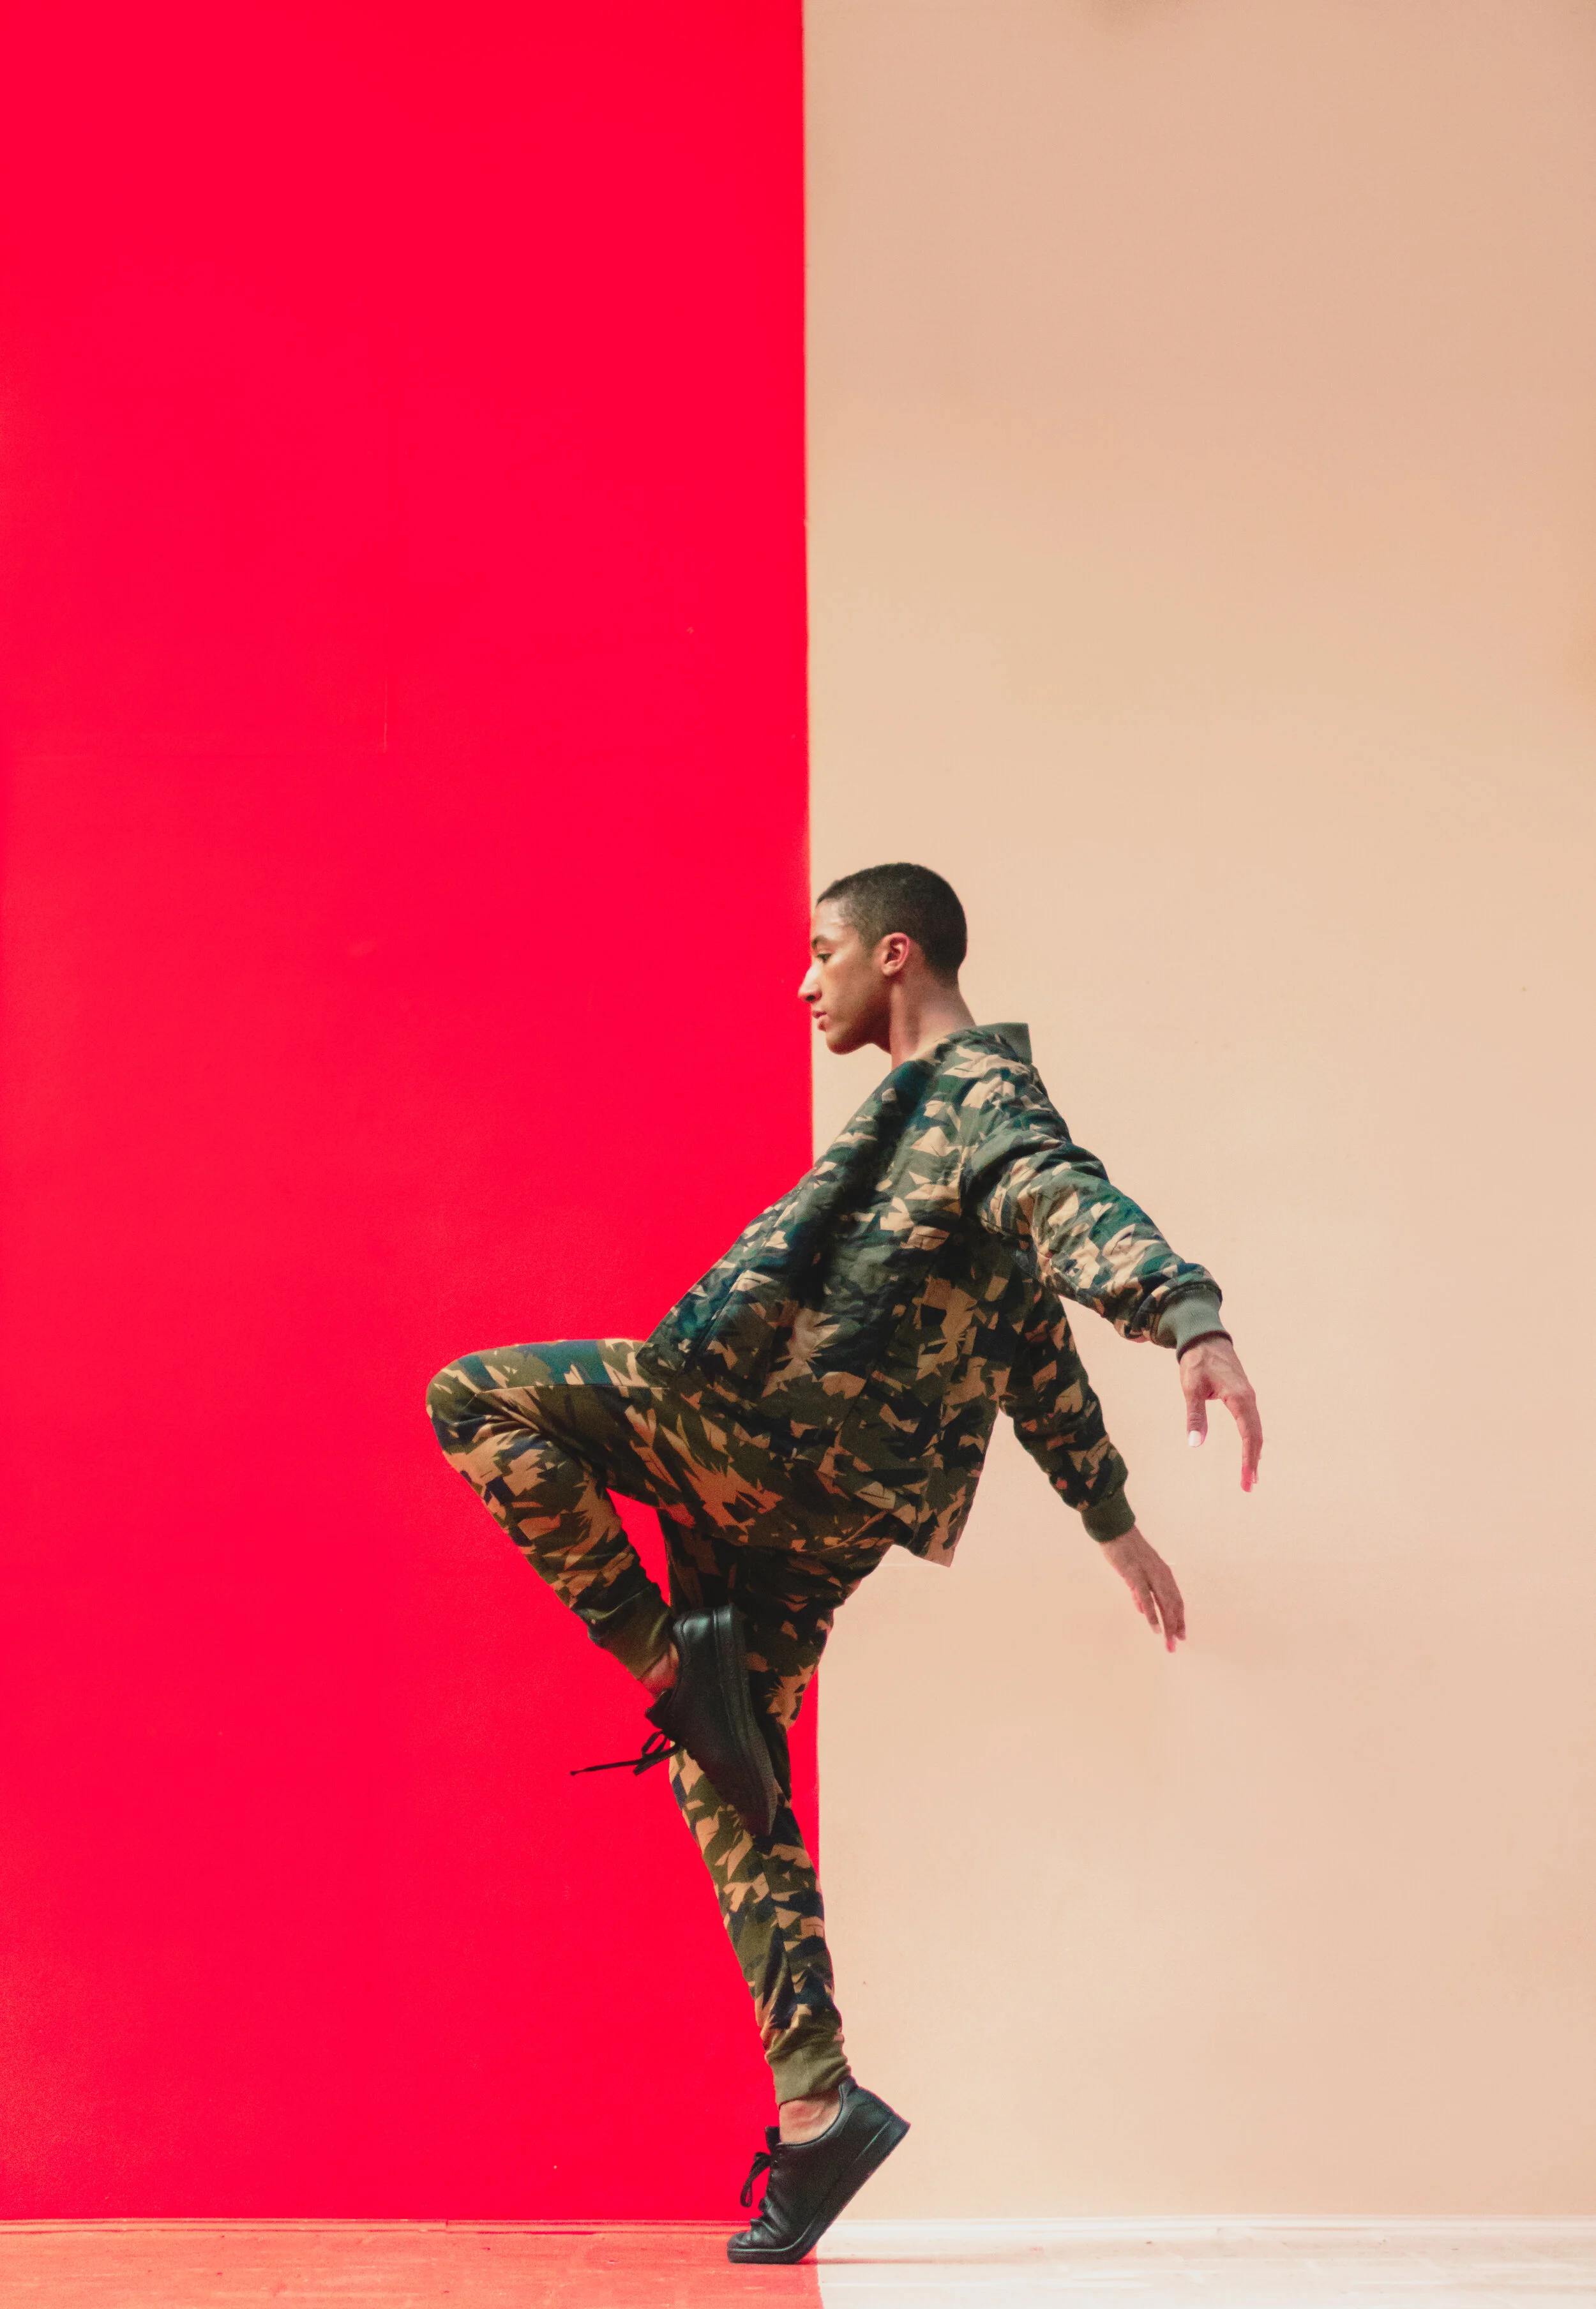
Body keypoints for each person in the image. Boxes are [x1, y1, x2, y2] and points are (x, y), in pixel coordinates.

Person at [426, 862, 1262, 2264]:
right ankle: (819, 2111)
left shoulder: (977, 1095)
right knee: (730, 1774)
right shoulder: (933, 1129)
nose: (803, 982)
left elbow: (1065, 1194)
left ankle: (667, 1667)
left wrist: (1187, 1315)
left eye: (821, 953)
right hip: (833, 1514)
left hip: (760, 1437)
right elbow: (1028, 1343)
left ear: (894, 954)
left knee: (471, 1397)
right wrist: (1111, 1518)